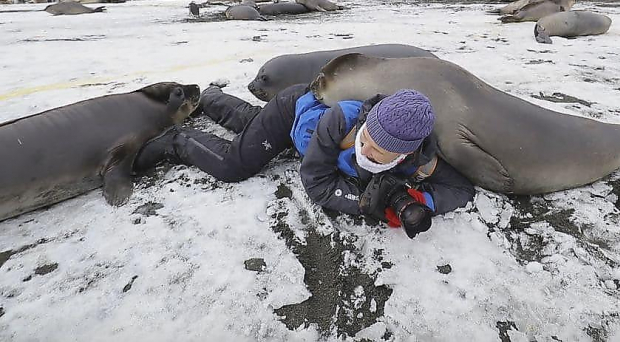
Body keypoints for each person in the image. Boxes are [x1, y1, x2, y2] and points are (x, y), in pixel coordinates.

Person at [134, 84, 475, 238]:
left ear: (402, 156)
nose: (365, 149)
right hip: (291, 112)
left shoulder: (417, 162)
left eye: (377, 152)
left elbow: (461, 188)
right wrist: (363, 202)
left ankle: (212, 98)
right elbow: (316, 181)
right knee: (233, 165)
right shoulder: (342, 121)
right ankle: (176, 140)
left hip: (304, 135)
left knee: (251, 124)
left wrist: (421, 201)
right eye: (366, 138)